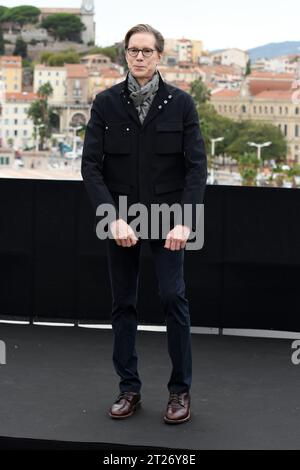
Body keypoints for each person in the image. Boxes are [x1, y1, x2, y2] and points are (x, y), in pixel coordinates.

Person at [81, 24, 207, 424]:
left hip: (170, 219)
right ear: (125, 55)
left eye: (147, 51)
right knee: (124, 304)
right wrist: (112, 218)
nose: (139, 57)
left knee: (174, 299)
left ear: (159, 56)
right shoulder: (105, 103)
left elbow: (196, 168)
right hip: (120, 220)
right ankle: (128, 389)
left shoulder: (182, 104)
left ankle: (179, 392)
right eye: (133, 50)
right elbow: (90, 167)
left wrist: (184, 222)